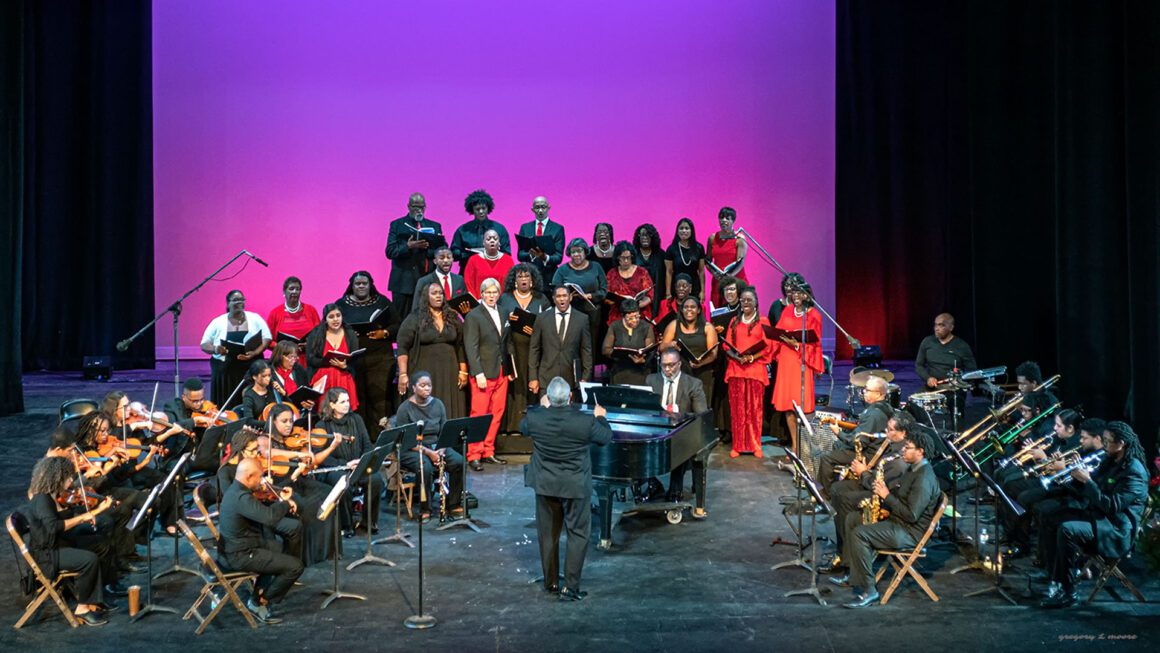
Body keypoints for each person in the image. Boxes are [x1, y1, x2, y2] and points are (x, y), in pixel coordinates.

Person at [521, 377, 613, 600]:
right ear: (571, 398)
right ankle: (570, 588)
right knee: (578, 534)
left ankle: (550, 582)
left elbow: (523, 428)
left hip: (545, 485)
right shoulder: (585, 421)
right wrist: (601, 418)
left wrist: (542, 408)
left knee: (547, 534)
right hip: (574, 486)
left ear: (549, 399)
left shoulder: (535, 417)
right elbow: (606, 438)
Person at [1038, 421, 1148, 608]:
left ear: (1121, 444)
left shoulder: (1134, 472)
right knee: (1051, 516)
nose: (1104, 445)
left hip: (1116, 530)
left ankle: (1069, 591)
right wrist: (1070, 477)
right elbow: (1089, 492)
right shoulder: (1111, 461)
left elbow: (1112, 506)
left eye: (1107, 441)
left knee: (1067, 529)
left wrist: (1088, 481)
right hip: (1099, 518)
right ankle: (1055, 580)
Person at [832, 428, 942, 608]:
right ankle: (854, 575)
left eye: (908, 448)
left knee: (860, 534)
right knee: (852, 518)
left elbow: (912, 515)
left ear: (920, 452)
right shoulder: (913, 469)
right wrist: (887, 510)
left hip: (908, 533)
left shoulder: (923, 479)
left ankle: (869, 590)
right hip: (899, 522)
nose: (903, 451)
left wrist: (886, 496)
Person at [23, 456, 116, 625]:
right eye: (68, 477)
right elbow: (53, 527)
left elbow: (58, 521)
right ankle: (82, 608)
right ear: (57, 478)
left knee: (102, 544)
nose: (71, 480)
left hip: (57, 544)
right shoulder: (42, 500)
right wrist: (82, 518)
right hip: (48, 555)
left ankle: (94, 600)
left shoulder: (50, 496)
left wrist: (80, 514)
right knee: (89, 560)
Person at [818, 412, 913, 574]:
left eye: (890, 429)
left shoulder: (900, 460)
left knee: (845, 500)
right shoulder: (890, 444)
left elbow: (880, 487)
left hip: (885, 500)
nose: (886, 431)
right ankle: (843, 550)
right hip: (874, 484)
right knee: (837, 489)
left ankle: (846, 558)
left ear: (903, 433)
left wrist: (863, 473)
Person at [218, 457, 304, 624]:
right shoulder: (241, 498)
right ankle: (260, 600)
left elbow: (262, 513)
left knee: (278, 549)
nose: (262, 480)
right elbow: (269, 518)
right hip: (240, 555)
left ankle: (262, 590)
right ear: (249, 477)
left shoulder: (236, 491)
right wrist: (285, 503)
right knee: (296, 567)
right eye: (260, 476)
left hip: (240, 547)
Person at [393, 372, 466, 522]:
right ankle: (425, 508)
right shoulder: (405, 408)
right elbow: (405, 440)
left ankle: (453, 504)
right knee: (424, 467)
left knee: (458, 461)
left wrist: (442, 449)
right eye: (422, 385)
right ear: (413, 388)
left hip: (437, 446)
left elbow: (445, 430)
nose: (427, 388)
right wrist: (429, 453)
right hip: (414, 448)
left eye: (429, 385)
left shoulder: (438, 404)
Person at [335, 271, 401, 432]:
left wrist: (383, 333)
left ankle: (379, 437)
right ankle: (360, 436)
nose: (361, 286)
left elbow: (397, 325)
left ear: (371, 285)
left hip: (381, 359)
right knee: (358, 399)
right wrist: (348, 332)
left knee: (379, 399)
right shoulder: (341, 304)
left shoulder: (383, 302)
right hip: (354, 361)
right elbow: (332, 325)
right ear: (352, 285)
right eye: (358, 284)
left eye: (365, 283)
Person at [315, 388, 385, 537]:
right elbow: (321, 457)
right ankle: (346, 526)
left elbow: (366, 444)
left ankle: (368, 522)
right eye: (342, 402)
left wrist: (362, 460)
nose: (347, 404)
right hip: (335, 468)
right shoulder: (322, 426)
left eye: (348, 401)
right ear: (332, 405)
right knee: (343, 484)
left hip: (357, 465)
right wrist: (345, 464)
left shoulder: (356, 419)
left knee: (377, 480)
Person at [396, 281, 469, 419]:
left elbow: (460, 345)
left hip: (450, 372)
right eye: (434, 293)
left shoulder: (452, 317)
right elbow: (403, 346)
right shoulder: (415, 318)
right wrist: (403, 373)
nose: (438, 296)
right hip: (425, 370)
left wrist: (463, 371)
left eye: (441, 293)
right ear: (426, 296)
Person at [770, 281, 824, 463]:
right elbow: (778, 332)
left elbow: (816, 342)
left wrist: (798, 345)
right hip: (786, 360)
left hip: (802, 361)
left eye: (799, 293)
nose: (796, 297)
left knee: (802, 408)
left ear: (807, 295)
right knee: (788, 407)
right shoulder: (786, 311)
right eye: (793, 293)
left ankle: (805, 448)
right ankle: (794, 446)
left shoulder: (814, 315)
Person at [646, 349, 708, 505]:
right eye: (664, 366)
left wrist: (679, 416)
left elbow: (702, 415)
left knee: (680, 444)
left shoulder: (693, 384)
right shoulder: (651, 380)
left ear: (679, 364)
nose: (667, 370)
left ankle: (675, 489)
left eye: (671, 365)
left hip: (681, 431)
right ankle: (652, 484)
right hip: (657, 430)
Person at [817, 376, 894, 497]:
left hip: (867, 453)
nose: (864, 392)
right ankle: (840, 485)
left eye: (867, 390)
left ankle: (825, 495)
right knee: (837, 445)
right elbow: (862, 429)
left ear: (879, 394)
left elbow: (857, 441)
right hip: (874, 447)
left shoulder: (874, 414)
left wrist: (838, 432)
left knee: (826, 458)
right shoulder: (885, 407)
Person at [464, 277, 512, 470]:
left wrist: (510, 369)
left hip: (501, 371)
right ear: (481, 294)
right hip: (483, 372)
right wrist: (478, 373)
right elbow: (471, 346)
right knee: (479, 414)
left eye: (494, 292)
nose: (492, 296)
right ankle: (474, 454)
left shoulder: (503, 312)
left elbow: (506, 344)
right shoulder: (473, 316)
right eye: (488, 292)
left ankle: (488, 451)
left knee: (497, 413)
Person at [498, 263, 552, 434]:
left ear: (532, 280)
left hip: (534, 348)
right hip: (511, 348)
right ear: (514, 280)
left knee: (533, 384)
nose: (523, 280)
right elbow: (497, 320)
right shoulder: (505, 298)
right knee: (515, 387)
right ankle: (513, 426)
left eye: (527, 276)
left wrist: (536, 328)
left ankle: (533, 427)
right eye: (520, 276)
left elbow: (549, 322)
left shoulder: (541, 299)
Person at [723, 287, 774, 457]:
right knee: (737, 409)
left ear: (756, 302)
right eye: (743, 300)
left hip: (755, 370)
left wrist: (751, 358)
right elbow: (726, 345)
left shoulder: (763, 321)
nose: (745, 303)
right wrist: (737, 358)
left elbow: (768, 346)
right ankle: (737, 445)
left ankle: (755, 445)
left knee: (754, 409)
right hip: (736, 370)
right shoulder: (734, 322)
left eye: (749, 300)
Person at [200, 289, 272, 404]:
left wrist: (255, 352)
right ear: (228, 303)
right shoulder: (218, 322)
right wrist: (216, 349)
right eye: (235, 300)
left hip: (250, 364)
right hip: (227, 367)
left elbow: (267, 337)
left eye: (241, 300)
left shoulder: (255, 318)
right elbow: (204, 344)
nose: (239, 302)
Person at [385, 193, 444, 317]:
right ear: (408, 206)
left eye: (421, 207)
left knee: (427, 319)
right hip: (403, 283)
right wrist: (409, 246)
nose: (418, 210)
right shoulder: (397, 225)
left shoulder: (434, 226)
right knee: (402, 321)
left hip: (426, 280)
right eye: (415, 206)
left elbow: (443, 250)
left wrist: (428, 248)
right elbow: (390, 251)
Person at [529, 286, 594, 395]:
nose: (562, 299)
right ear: (553, 299)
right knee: (546, 411)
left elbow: (586, 350)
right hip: (546, 379)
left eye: (564, 296)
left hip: (572, 381)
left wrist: (585, 378)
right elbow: (534, 349)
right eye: (558, 296)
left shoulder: (582, 319)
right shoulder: (542, 318)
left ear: (570, 297)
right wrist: (533, 377)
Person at [551, 238, 607, 362]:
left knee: (590, 346)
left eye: (579, 251)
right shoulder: (562, 270)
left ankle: (589, 377)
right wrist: (568, 296)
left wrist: (590, 296)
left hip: (592, 312)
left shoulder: (596, 267)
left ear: (585, 252)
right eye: (573, 252)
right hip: (571, 312)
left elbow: (604, 290)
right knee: (572, 345)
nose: (576, 254)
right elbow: (554, 290)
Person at [659, 295, 719, 406]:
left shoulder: (708, 327)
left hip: (702, 372)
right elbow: (662, 347)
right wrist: (671, 344)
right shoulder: (674, 325)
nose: (689, 310)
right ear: (682, 310)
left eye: (692, 307)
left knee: (701, 407)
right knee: (682, 406)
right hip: (680, 372)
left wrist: (701, 363)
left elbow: (713, 354)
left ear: (699, 310)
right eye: (686, 307)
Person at [305, 303, 360, 412]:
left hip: (343, 378)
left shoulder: (350, 334)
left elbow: (355, 359)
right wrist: (327, 362)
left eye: (338, 315)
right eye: (331, 317)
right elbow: (310, 359)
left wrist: (345, 366)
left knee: (344, 412)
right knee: (325, 412)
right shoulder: (317, 334)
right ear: (325, 319)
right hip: (324, 379)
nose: (335, 319)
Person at [452, 189, 511, 273]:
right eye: (477, 209)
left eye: (483, 208)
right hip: (468, 271)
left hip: (494, 272)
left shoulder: (499, 229)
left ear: (488, 208)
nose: (481, 212)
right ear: (472, 210)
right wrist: (465, 254)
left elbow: (507, 254)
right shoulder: (462, 230)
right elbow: (454, 253)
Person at [516, 195, 565, 291]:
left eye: (543, 207)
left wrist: (544, 257)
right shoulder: (525, 228)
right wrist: (530, 254)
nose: (540, 210)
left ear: (548, 208)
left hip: (548, 276)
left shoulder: (558, 229)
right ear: (532, 209)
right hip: (529, 276)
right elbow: (520, 255)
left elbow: (558, 257)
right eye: (537, 207)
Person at [915, 312, 977, 387]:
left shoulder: (962, 346)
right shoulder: (927, 342)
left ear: (951, 328)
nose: (936, 328)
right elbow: (919, 365)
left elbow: (972, 371)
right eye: (935, 324)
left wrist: (963, 383)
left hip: (954, 389)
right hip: (933, 387)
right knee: (914, 397)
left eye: (941, 325)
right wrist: (928, 378)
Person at [602, 299, 655, 386]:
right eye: (630, 318)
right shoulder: (615, 326)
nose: (634, 320)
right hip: (620, 370)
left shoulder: (646, 327)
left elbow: (650, 350)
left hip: (641, 371)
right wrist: (619, 353)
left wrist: (643, 360)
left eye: (637, 316)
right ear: (622, 316)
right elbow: (605, 349)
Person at [706, 207, 748, 306]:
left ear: (733, 221)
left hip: (736, 279)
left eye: (727, 218)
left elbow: (740, 262)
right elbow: (707, 261)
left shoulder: (739, 239)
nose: (724, 220)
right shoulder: (712, 238)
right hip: (719, 280)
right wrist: (713, 273)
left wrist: (729, 276)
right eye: (721, 218)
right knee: (719, 314)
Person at [265, 276, 320, 349]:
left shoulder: (311, 310)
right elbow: (267, 340)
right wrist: (282, 348)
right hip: (284, 357)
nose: (294, 291)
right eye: (291, 289)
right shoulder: (275, 313)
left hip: (308, 356)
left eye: (297, 289)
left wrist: (309, 344)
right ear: (284, 291)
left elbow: (320, 335)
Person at [606, 241, 654, 322]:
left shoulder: (642, 272)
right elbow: (607, 296)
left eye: (628, 257)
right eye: (623, 258)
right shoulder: (612, 273)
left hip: (639, 313)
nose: (625, 261)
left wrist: (636, 307)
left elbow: (650, 296)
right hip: (618, 314)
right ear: (618, 258)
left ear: (632, 257)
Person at [463, 229, 515, 300]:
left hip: (502, 304)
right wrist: (475, 301)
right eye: (488, 239)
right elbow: (468, 282)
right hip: (479, 304)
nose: (492, 240)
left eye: (495, 238)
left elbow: (512, 283)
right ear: (483, 243)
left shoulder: (508, 260)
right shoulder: (473, 260)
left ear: (499, 242)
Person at [664, 217, 706, 301]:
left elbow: (701, 271)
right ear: (677, 231)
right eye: (681, 228)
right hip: (677, 287)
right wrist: (668, 292)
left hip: (694, 287)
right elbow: (669, 272)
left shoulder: (699, 248)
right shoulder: (671, 249)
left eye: (687, 228)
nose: (684, 231)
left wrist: (703, 291)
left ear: (691, 231)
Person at [269, 341, 315, 411]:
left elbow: (306, 392)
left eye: (295, 357)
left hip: (299, 410)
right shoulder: (268, 371)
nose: (293, 361)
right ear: (280, 356)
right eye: (290, 357)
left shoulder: (299, 370)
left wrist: (307, 402)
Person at [633, 223, 666, 305]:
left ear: (653, 237)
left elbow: (666, 275)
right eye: (642, 235)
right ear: (638, 237)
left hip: (658, 295)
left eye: (648, 235)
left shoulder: (661, 254)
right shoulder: (633, 254)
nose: (645, 238)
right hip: (638, 296)